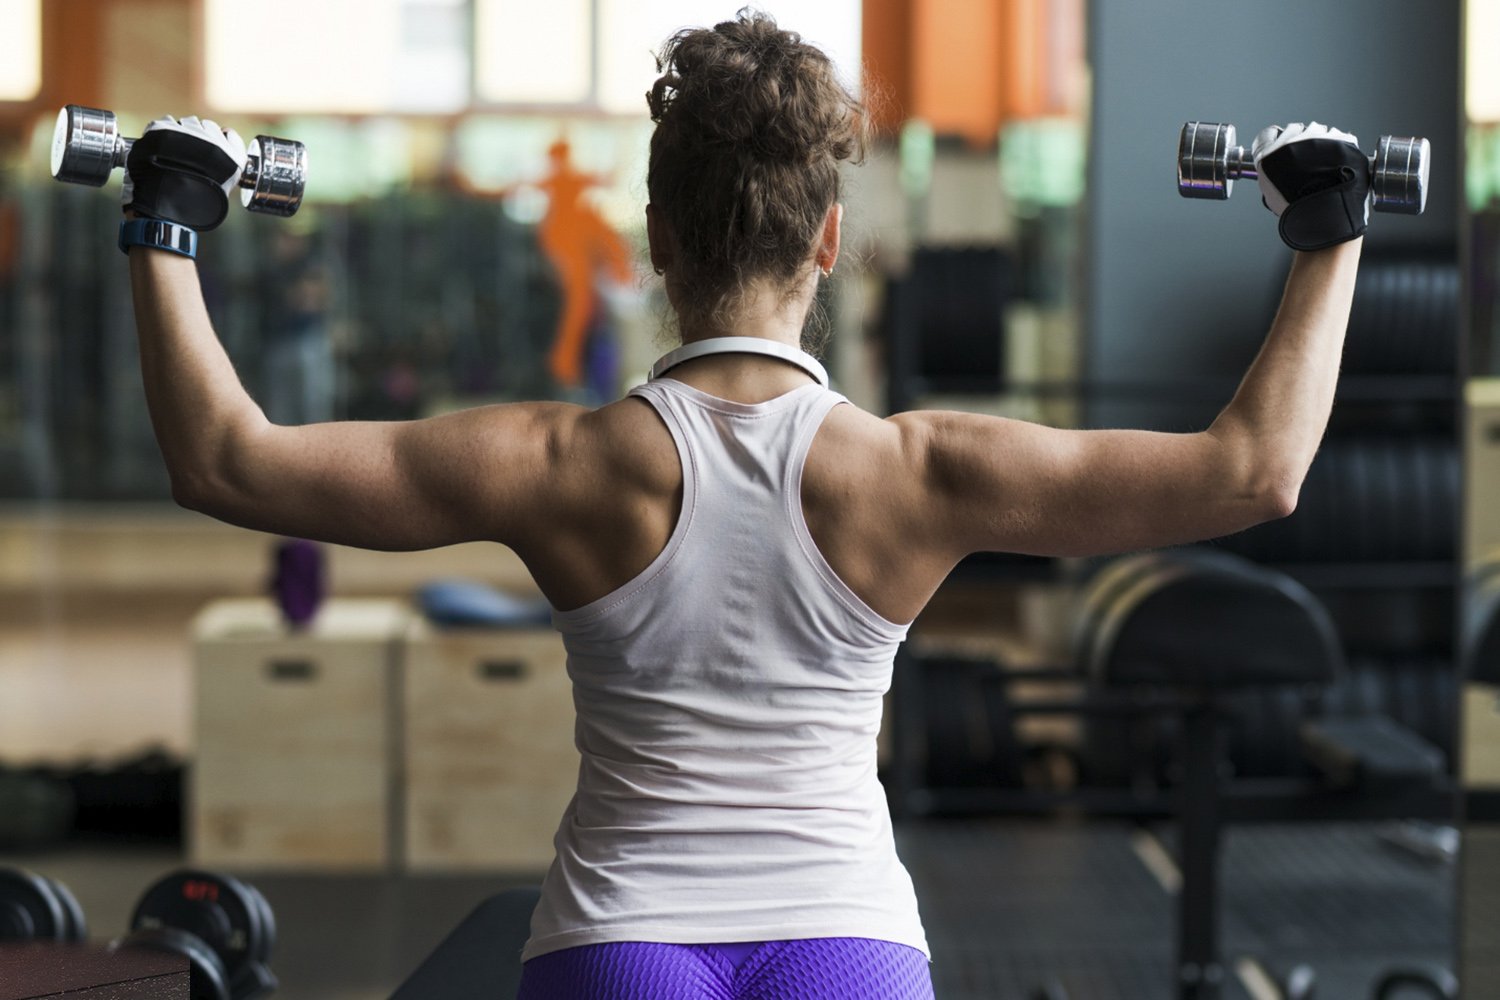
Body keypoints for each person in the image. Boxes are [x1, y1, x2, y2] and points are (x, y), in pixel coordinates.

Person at [116, 11, 1368, 999]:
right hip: (846, 945)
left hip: (617, 945)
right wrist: (1329, 234)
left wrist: (165, 225)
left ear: (658, 239)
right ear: (827, 242)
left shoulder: (561, 462)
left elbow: (225, 459)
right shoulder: (917, 471)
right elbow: (1253, 468)